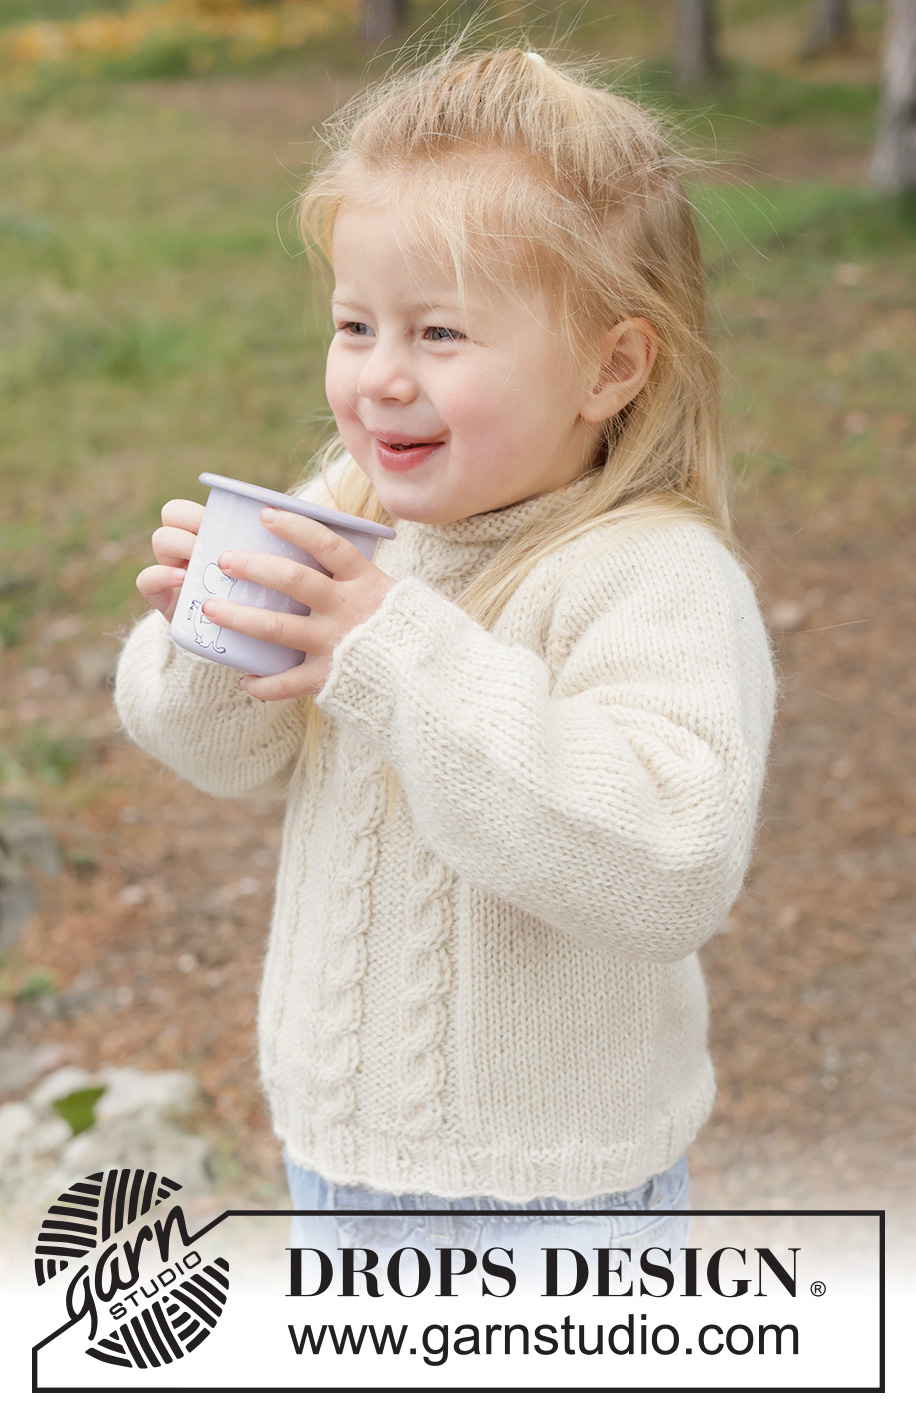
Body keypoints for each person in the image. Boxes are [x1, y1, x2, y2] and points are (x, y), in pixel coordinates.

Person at [114, 43, 776, 1279]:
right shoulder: (356, 509)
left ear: (610, 365)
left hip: (553, 1199)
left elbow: (671, 862)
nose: (380, 376)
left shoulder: (651, 576)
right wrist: (211, 630)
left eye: (440, 331)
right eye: (355, 323)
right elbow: (218, 751)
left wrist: (390, 648)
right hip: (336, 1158)